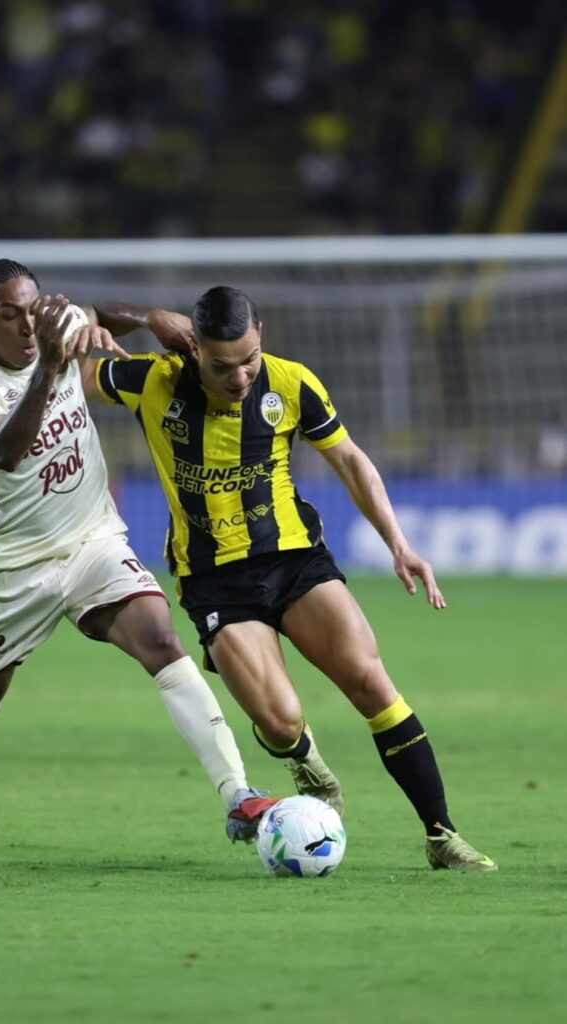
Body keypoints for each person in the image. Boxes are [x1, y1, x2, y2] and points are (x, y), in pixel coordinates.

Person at [81, 285, 497, 872]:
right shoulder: (151, 379)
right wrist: (144, 317)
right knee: (279, 723)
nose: (240, 377)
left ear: (262, 339)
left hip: (294, 560)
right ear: (194, 349)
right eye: (222, 366)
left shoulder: (292, 383)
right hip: (215, 581)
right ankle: (305, 759)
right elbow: (69, 355)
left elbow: (350, 460)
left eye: (249, 360)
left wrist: (399, 545)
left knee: (371, 682)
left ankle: (442, 835)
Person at [0, 260, 278, 848]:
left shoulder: (54, 328)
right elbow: (3, 452)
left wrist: (152, 318)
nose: (27, 325)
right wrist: (51, 366)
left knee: (161, 640)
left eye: (33, 310)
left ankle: (237, 795)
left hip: (93, 540)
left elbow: (101, 314)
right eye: (9, 315)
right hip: (15, 566)